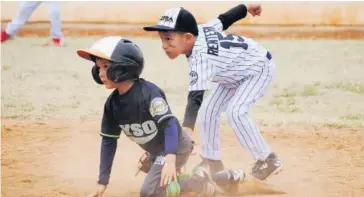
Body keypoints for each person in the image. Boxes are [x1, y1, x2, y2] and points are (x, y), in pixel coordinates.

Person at [77, 36, 246, 197]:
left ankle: (198, 182)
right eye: (98, 67)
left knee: (149, 192)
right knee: (149, 170)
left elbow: (170, 124)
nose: (100, 73)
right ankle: (209, 175)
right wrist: (102, 183)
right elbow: (108, 141)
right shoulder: (112, 105)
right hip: (159, 151)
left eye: (106, 66)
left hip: (176, 147)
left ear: (124, 68)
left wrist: (170, 159)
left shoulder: (148, 93)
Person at [143, 4, 282, 180]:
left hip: (257, 69)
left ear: (187, 37)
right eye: (162, 39)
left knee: (236, 112)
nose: (164, 45)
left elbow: (194, 100)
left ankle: (268, 159)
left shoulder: (200, 58)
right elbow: (225, 19)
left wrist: (181, 140)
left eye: (168, 39)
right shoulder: (201, 30)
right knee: (209, 111)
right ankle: (212, 161)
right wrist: (246, 7)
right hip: (233, 72)